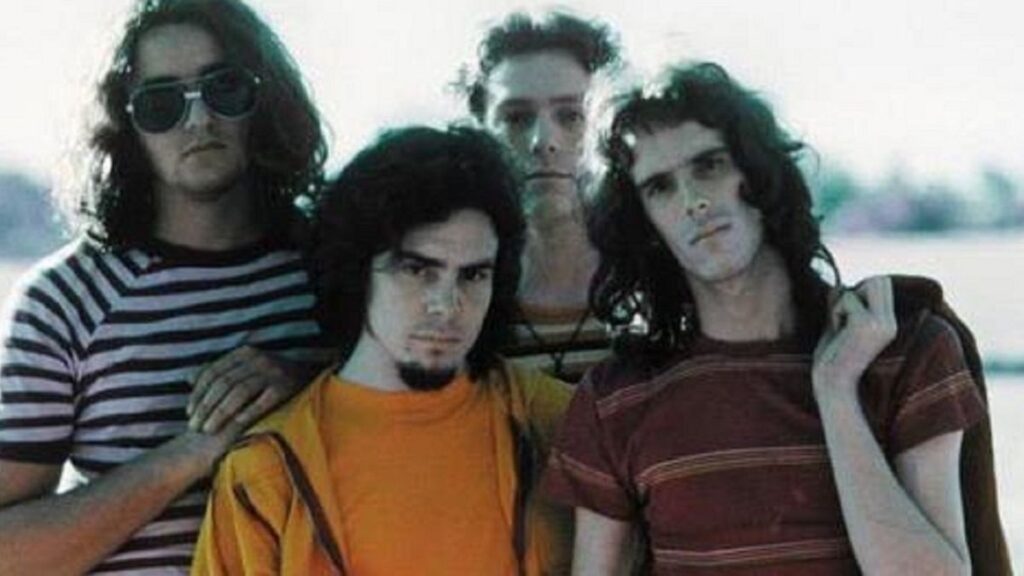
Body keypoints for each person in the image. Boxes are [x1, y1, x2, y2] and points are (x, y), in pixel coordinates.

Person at [542, 62, 1010, 574]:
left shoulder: (901, 345)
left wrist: (837, 392)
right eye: (660, 187)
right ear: (644, 222)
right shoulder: (618, 399)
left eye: (709, 165)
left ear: (759, 172)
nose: (693, 201)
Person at [0, 0, 331, 573]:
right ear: (126, 125)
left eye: (224, 88)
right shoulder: (64, 299)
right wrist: (190, 453)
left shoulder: (335, 267)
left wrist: (308, 381)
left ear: (266, 98)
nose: (198, 120)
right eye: (161, 103)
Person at [191, 126, 574, 575]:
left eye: (473, 275)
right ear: (357, 271)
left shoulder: (556, 424)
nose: (446, 305)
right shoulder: (266, 472)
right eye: (417, 269)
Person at [462, 10, 620, 381]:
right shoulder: (458, 294)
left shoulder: (654, 285)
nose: (543, 141)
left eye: (571, 116)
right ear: (482, 131)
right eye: (516, 118)